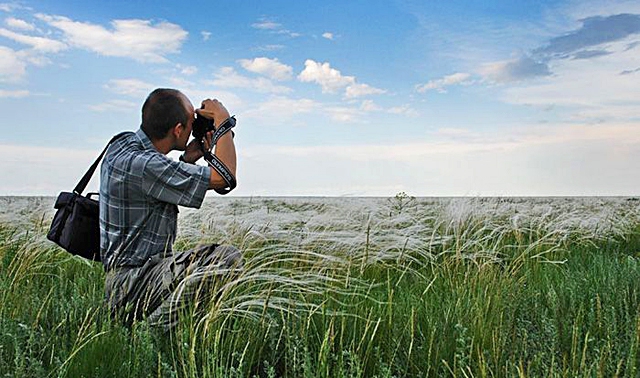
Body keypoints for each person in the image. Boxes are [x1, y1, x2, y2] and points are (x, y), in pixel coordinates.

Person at [99, 88, 242, 329]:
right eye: (189, 124)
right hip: (136, 282)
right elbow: (224, 177)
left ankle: (141, 326)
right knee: (227, 257)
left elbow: (153, 180)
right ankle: (151, 334)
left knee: (195, 264)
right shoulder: (147, 166)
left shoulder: (122, 144)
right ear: (177, 130)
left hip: (120, 280)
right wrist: (223, 123)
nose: (192, 127)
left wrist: (187, 160)